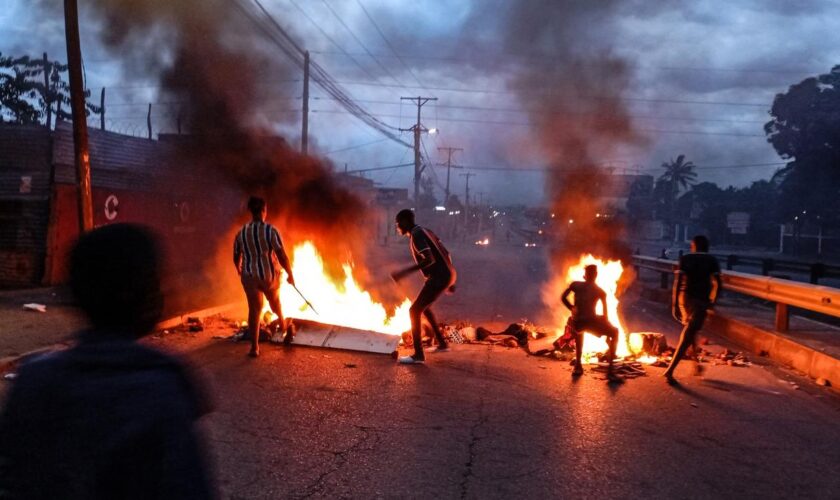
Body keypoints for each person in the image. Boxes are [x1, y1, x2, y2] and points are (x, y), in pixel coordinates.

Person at [0, 223, 214, 499]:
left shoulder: (33, 379)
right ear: (142, 297)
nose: (165, 291)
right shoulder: (163, 391)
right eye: (155, 282)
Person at [391, 209, 457, 365]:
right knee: (424, 308)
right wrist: (451, 277)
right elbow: (446, 253)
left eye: (398, 223)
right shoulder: (425, 230)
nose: (398, 226)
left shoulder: (417, 235)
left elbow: (429, 259)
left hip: (439, 278)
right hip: (446, 275)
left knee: (414, 311)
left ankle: (418, 355)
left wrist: (404, 272)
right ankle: (442, 343)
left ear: (406, 221)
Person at [233, 196, 295, 357]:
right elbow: (281, 254)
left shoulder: (242, 232)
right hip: (268, 276)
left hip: (248, 276)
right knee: (275, 304)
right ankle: (284, 327)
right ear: (263, 211)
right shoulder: (270, 230)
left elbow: (236, 255)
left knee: (254, 310)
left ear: (251, 212)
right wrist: (290, 274)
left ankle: (254, 348)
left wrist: (239, 269)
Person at [663, 235, 722, 384]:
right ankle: (670, 371)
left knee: (691, 331)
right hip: (701, 301)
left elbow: (678, 282)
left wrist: (675, 304)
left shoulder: (686, 258)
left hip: (685, 299)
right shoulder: (712, 260)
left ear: (694, 245)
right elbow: (718, 284)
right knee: (689, 333)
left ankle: (695, 365)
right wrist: (712, 301)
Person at [561, 264, 621, 382]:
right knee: (615, 332)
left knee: (579, 328)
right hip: (591, 322)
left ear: (585, 275)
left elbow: (563, 297)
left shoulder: (576, 285)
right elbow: (605, 316)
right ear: (596, 275)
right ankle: (611, 371)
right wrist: (608, 334)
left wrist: (572, 308)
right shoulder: (600, 292)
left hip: (578, 322)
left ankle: (578, 365)